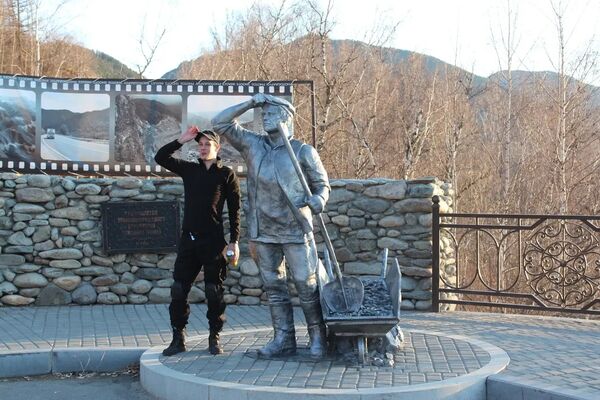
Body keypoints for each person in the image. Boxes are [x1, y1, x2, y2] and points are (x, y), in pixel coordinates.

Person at [211, 93, 330, 359]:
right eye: (263, 113)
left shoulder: (303, 151)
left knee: (306, 285)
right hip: (263, 230)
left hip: (295, 229)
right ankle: (284, 339)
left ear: (286, 118)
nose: (264, 117)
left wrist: (319, 199)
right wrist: (250, 103)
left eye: (271, 113)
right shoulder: (253, 145)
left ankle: (318, 336)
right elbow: (219, 123)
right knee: (274, 288)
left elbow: (322, 185)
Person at [155, 127, 241, 356]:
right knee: (178, 289)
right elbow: (160, 157)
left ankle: (214, 336)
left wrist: (234, 241)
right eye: (200, 144)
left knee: (213, 290)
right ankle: (178, 338)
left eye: (207, 144)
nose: (203, 148)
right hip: (189, 240)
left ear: (217, 147)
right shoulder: (189, 170)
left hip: (213, 242)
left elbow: (235, 210)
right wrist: (180, 140)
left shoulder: (226, 174)